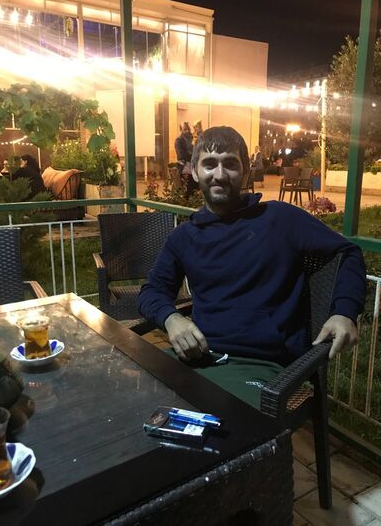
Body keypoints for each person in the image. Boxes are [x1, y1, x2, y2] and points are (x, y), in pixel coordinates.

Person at [138, 126, 366, 409]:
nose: (220, 174)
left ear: (246, 171)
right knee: (130, 403)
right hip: (197, 356)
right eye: (209, 164)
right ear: (194, 172)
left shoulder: (280, 219)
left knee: (220, 427)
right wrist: (172, 319)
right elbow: (151, 291)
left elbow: (348, 252)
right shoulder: (184, 237)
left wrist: (344, 312)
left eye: (230, 164)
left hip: (263, 366)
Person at [174, 122, 198, 198]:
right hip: (185, 169)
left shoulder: (194, 138)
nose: (187, 131)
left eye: (188, 129)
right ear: (181, 130)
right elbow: (181, 155)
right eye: (184, 129)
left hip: (195, 169)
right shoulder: (179, 140)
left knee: (197, 191)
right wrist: (194, 156)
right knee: (188, 191)